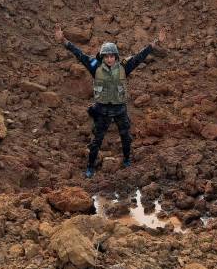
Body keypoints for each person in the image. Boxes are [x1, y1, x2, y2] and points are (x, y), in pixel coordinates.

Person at [55, 24, 167, 178]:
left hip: (120, 109)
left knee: (125, 136)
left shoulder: (124, 67)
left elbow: (140, 56)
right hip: (102, 110)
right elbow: (79, 54)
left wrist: (157, 42)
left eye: (112, 56)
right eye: (106, 56)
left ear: (116, 56)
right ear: (102, 57)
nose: (109, 59)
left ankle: (127, 160)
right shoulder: (95, 67)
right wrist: (64, 40)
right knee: (97, 141)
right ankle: (90, 167)